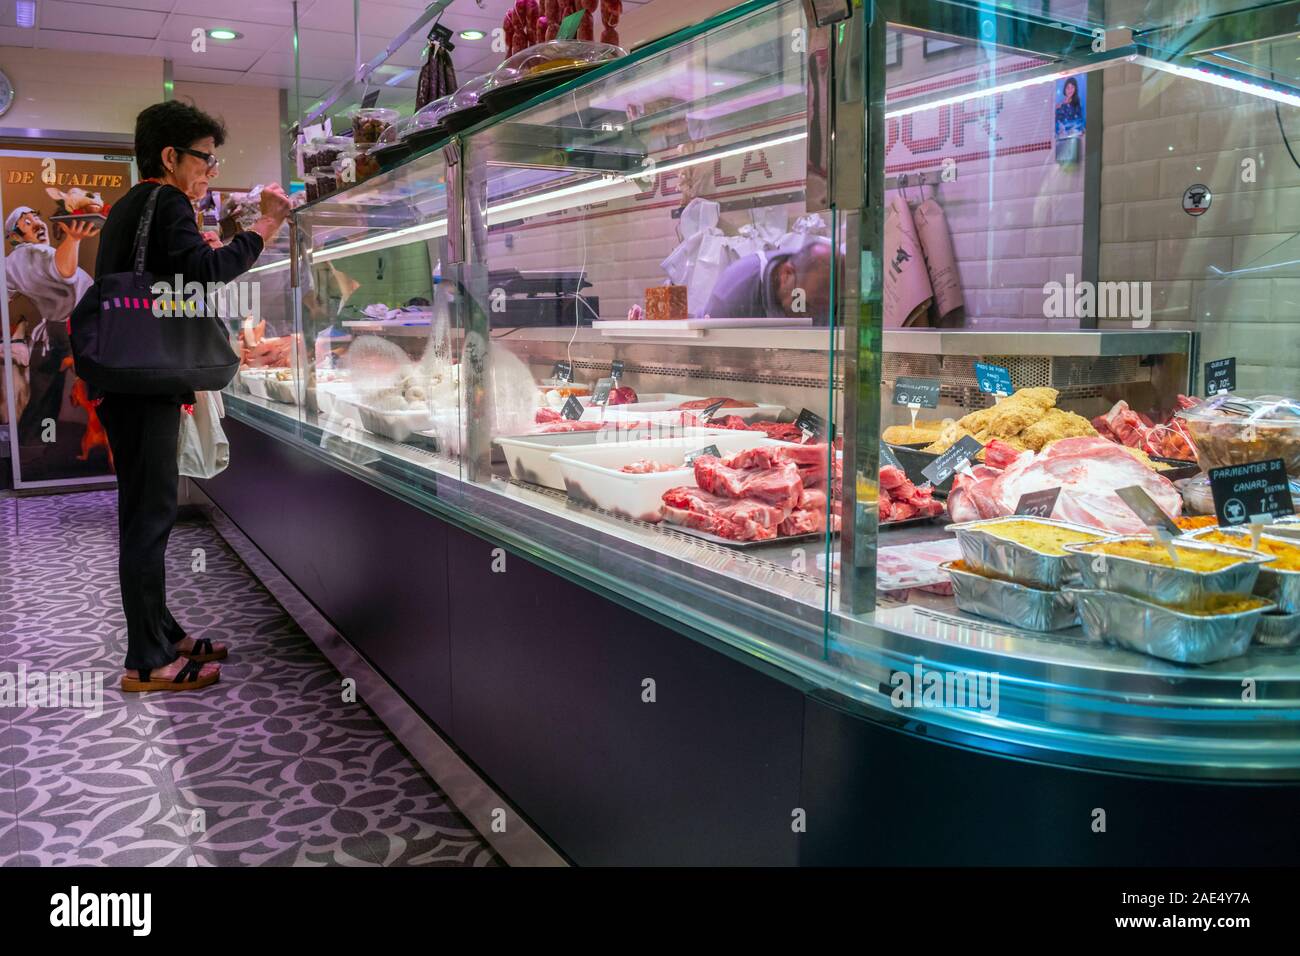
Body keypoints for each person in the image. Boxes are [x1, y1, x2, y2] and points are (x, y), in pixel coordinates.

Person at [95, 100, 291, 692]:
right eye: (206, 158)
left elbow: (175, 276)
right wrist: (268, 224)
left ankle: (162, 631)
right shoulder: (167, 200)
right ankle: (148, 661)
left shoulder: (132, 207)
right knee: (149, 518)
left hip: (126, 379)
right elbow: (205, 275)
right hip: (146, 383)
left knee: (143, 512)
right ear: (170, 156)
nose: (210, 168)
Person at [5, 205, 98, 453]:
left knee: (45, 391)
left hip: (53, 330)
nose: (37, 222)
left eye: (36, 216)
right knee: (96, 386)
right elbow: (64, 272)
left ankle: (38, 441)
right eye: (26, 222)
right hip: (75, 329)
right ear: (15, 235)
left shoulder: (11, 263)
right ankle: (105, 448)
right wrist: (74, 239)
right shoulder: (38, 253)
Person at [703, 235, 833, 322]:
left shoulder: (814, 281)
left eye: (822, 308)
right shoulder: (733, 292)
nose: (809, 315)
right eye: (805, 305)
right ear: (786, 275)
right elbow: (712, 354)